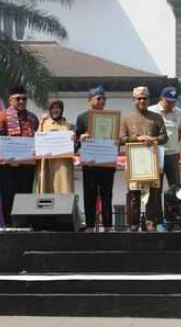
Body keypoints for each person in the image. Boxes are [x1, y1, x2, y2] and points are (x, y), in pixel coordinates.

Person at [120, 86, 168, 231]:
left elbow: (164, 137)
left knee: (153, 194)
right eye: (139, 98)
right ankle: (133, 224)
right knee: (134, 194)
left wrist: (152, 139)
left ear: (148, 100)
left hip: (152, 160)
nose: (142, 101)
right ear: (134, 100)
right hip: (134, 161)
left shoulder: (157, 117)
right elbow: (122, 138)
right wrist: (138, 138)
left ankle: (150, 222)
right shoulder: (126, 118)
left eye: (145, 98)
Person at [0, 85, 39, 226]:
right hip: (8, 166)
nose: (21, 102)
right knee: (8, 197)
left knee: (25, 196)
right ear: (10, 100)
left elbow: (37, 138)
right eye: (18, 98)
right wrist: (9, 154)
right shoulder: (3, 115)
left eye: (24, 99)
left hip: (27, 166)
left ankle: (24, 225)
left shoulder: (32, 118)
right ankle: (9, 226)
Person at [76, 85, 117, 230]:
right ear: (89, 100)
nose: (102, 101)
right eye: (99, 98)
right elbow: (75, 143)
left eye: (104, 99)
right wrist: (81, 137)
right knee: (90, 195)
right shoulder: (82, 118)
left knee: (107, 196)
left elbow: (116, 139)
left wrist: (115, 144)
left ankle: (108, 226)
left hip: (106, 163)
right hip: (90, 164)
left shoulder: (111, 117)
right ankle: (90, 226)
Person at [149, 87, 181, 189]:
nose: (171, 104)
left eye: (173, 102)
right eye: (168, 101)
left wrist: (172, 143)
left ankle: (175, 205)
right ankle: (156, 205)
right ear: (161, 98)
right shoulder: (151, 111)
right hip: (155, 153)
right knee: (155, 188)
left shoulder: (180, 113)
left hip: (172, 154)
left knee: (175, 187)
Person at [37, 99, 75, 194]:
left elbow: (75, 146)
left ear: (61, 109)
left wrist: (74, 140)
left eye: (57, 108)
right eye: (52, 108)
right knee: (47, 192)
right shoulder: (44, 124)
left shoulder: (69, 126)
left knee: (65, 190)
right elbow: (37, 142)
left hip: (63, 164)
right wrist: (41, 123)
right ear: (49, 110)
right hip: (47, 164)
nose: (55, 110)